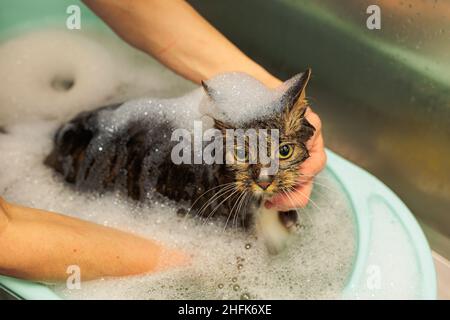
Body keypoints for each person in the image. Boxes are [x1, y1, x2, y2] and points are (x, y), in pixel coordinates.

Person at [0, 0, 325, 282]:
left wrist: (269, 93)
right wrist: (185, 262)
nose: (266, 176)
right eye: (243, 154)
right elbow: (8, 238)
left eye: (282, 151)